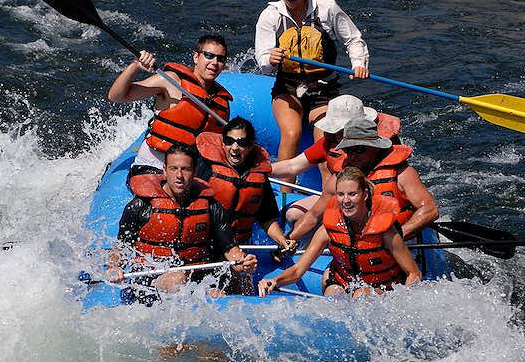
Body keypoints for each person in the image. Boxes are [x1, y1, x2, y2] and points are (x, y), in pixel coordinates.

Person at [255, 0, 369, 191]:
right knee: (291, 132)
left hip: (322, 88)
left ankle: (331, 194)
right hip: (287, 88)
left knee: (323, 140)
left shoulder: (327, 9)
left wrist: (359, 64)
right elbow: (263, 60)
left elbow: (353, 39)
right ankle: (284, 195)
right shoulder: (270, 16)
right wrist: (271, 58)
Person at [106, 144, 257, 294]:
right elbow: (121, 248)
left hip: (198, 275)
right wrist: (114, 267)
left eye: (185, 169)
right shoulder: (140, 206)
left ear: (194, 171)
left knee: (242, 279)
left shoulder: (211, 206)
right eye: (174, 169)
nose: (179, 175)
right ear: (164, 170)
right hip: (153, 279)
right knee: (177, 280)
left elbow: (230, 248)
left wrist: (243, 262)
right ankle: (202, 294)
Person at [258, 167, 421, 298]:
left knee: (361, 296)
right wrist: (275, 280)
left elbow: (413, 273)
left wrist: (404, 304)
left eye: (352, 194)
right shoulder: (328, 228)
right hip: (343, 280)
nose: (346, 200)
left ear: (364, 195)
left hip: (380, 285)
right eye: (341, 194)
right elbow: (298, 270)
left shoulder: (385, 231)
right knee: (333, 297)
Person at [287, 117, 439, 243]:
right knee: (328, 278)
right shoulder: (339, 178)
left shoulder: (402, 173)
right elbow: (314, 216)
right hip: (358, 246)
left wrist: (397, 236)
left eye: (359, 149)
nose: (353, 155)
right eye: (348, 149)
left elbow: (430, 210)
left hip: (400, 243)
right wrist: (289, 238)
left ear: (375, 147)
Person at [108, 34, 232, 186]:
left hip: (187, 173)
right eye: (209, 56)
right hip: (153, 167)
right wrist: (135, 66)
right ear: (196, 57)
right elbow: (117, 96)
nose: (214, 63)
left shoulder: (220, 102)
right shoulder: (171, 81)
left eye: (220, 59)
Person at [270, 94, 401, 222]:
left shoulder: (380, 143)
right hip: (342, 198)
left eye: (340, 130)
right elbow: (293, 166)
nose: (336, 134)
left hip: (374, 200)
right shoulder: (329, 142)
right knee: (293, 214)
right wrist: (262, 169)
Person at [196, 117, 298, 258]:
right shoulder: (206, 166)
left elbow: (266, 217)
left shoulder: (258, 175)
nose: (234, 148)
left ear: (250, 146)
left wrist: (283, 240)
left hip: (238, 247)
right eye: (229, 141)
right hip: (204, 243)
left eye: (242, 143)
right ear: (223, 144)